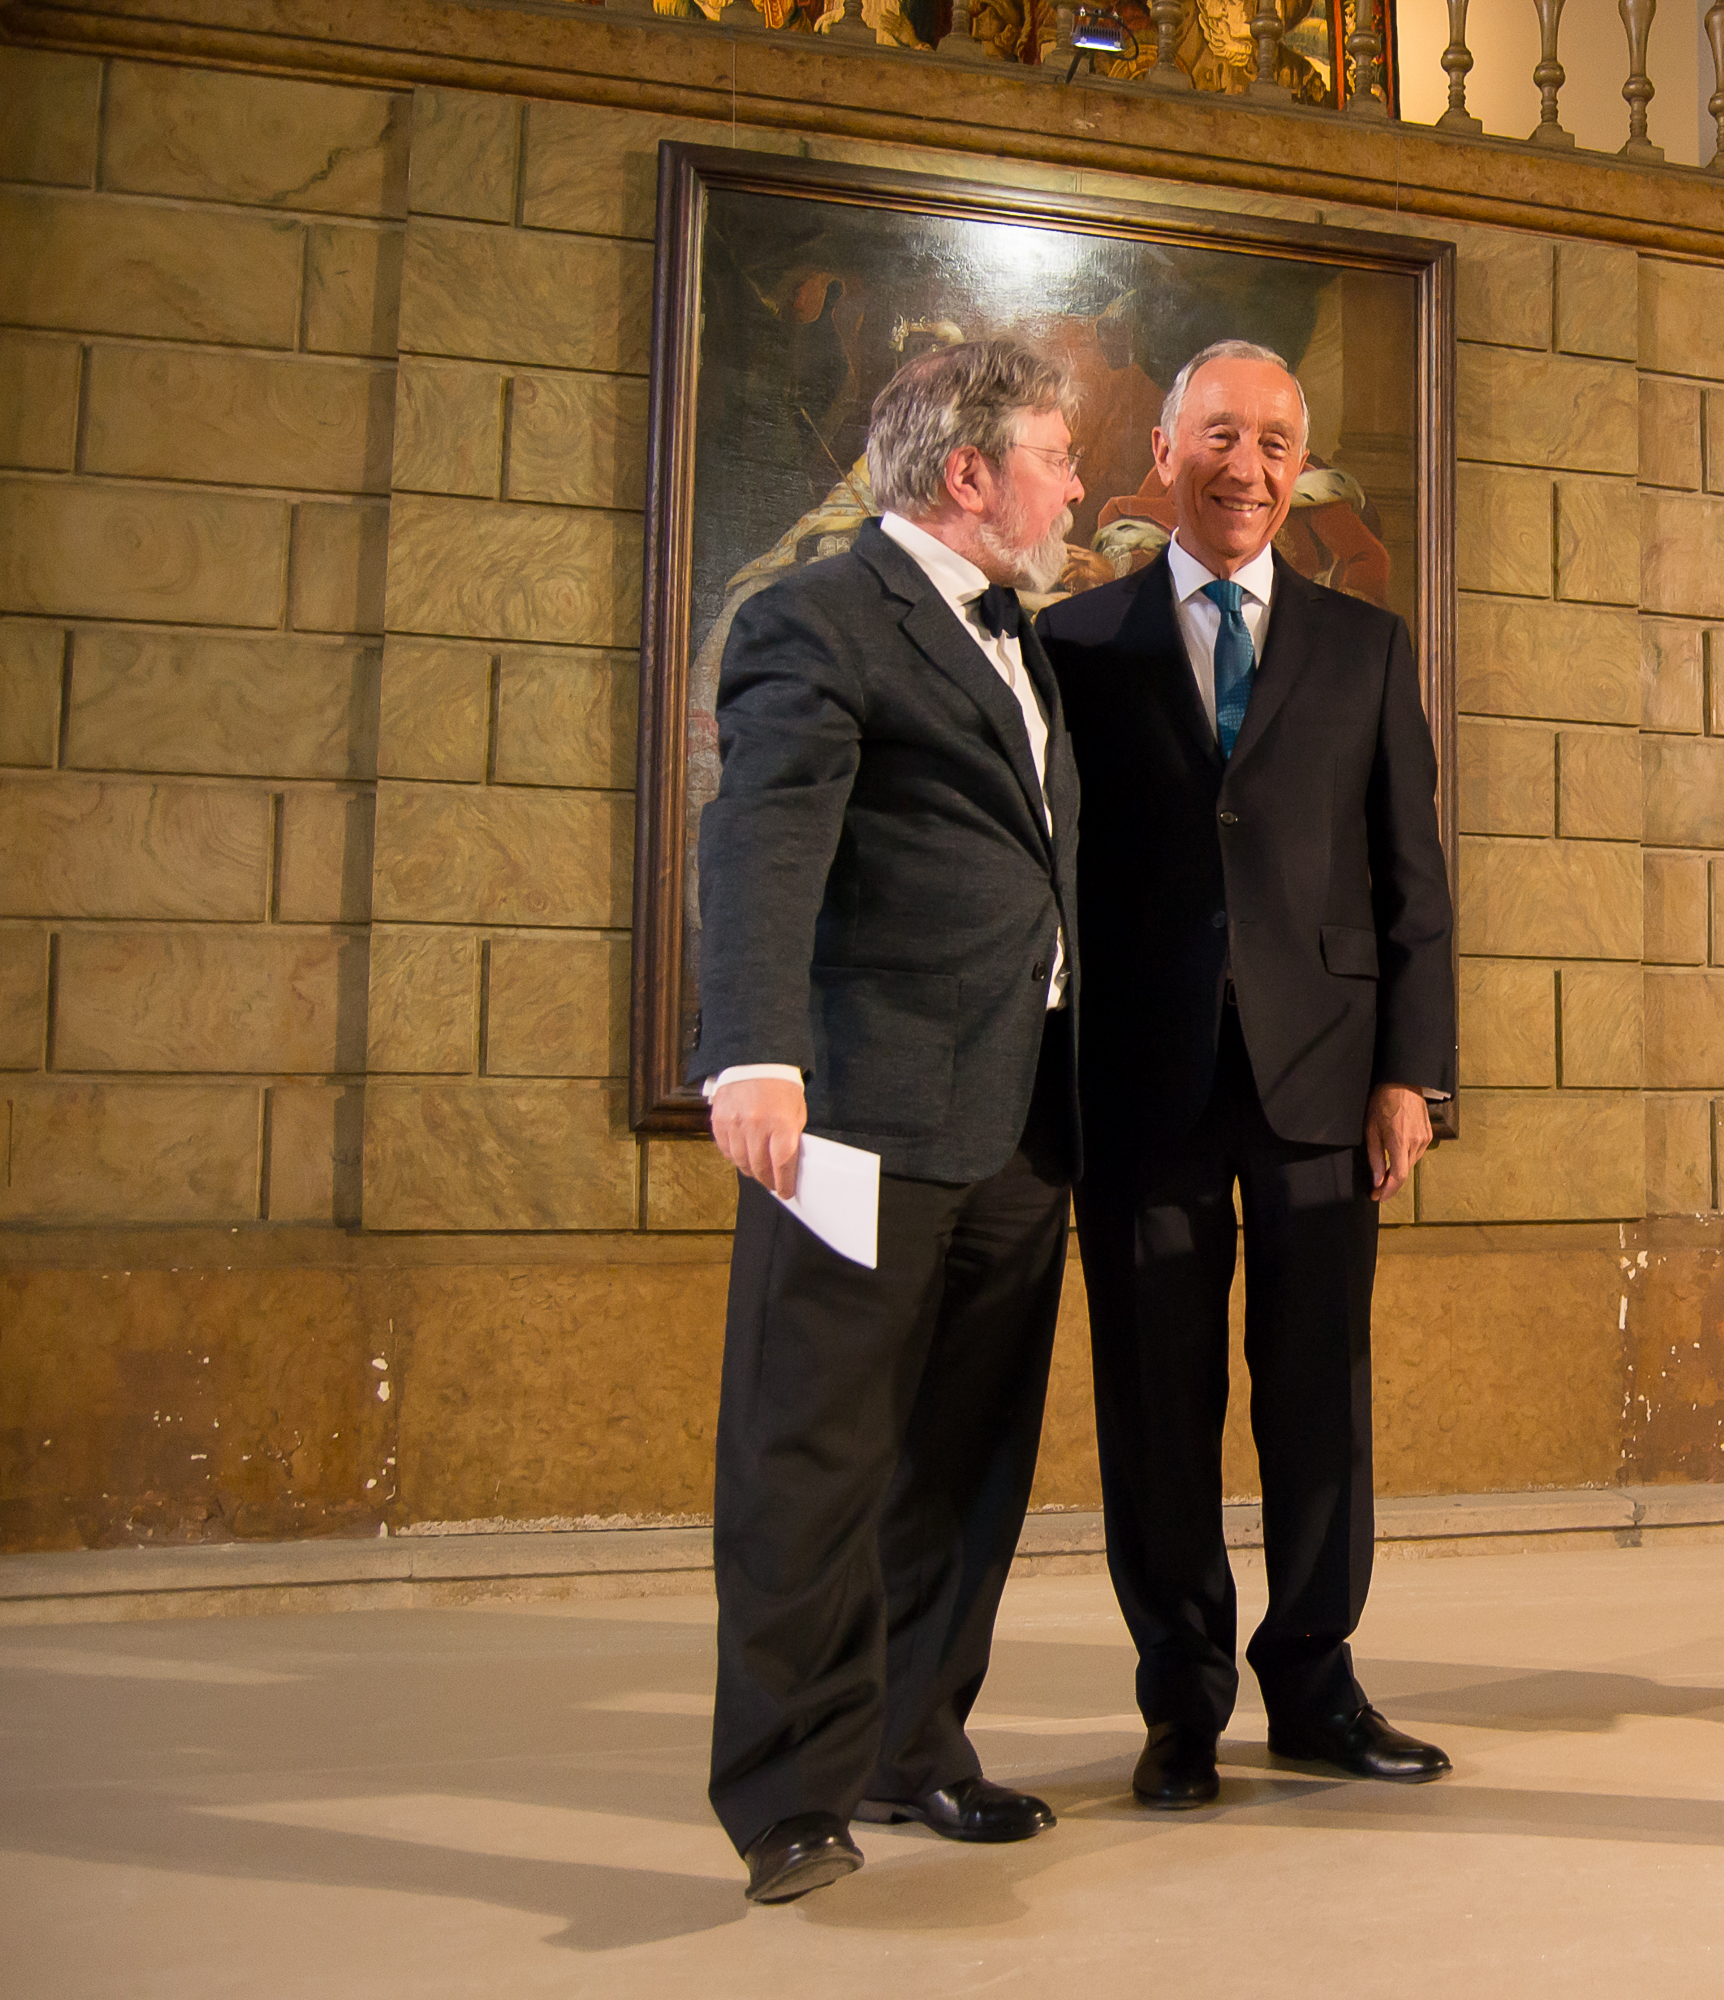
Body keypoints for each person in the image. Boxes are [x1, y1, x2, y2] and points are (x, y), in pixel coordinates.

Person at [691, 336, 1088, 1903]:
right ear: (971, 472)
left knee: (964, 1464)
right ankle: (789, 1798)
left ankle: (912, 1746)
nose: (1078, 486)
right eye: (1058, 456)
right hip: (859, 1113)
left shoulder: (1020, 633)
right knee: (813, 1455)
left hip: (1020, 1117)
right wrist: (753, 1051)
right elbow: (765, 838)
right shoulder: (817, 615)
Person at [1035, 340, 1457, 1810]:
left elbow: (1413, 881)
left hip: (1324, 1075)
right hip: (1137, 1077)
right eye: (1221, 436)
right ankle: (1182, 1701)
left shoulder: (1365, 648)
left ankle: (1317, 1683)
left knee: (1319, 1391)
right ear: (1163, 452)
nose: (1250, 468)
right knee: (1156, 1402)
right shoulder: (1076, 642)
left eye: (1277, 443)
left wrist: (1414, 1074)